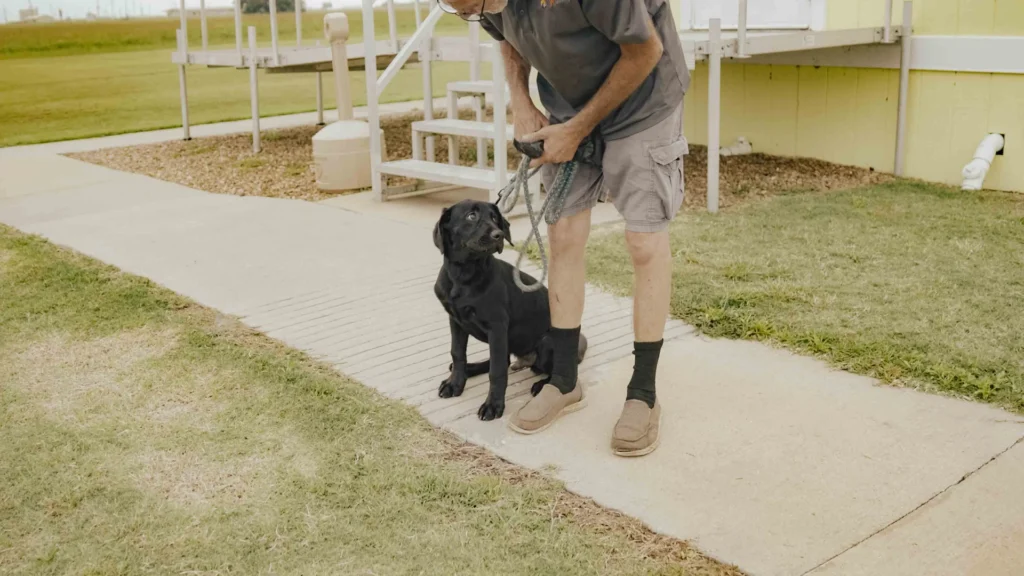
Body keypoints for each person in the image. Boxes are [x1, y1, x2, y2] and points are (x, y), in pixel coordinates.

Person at [440, 0, 690, 457]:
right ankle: (564, 380)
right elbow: (508, 41)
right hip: (567, 109)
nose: (476, 13)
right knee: (564, 238)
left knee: (643, 243)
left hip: (644, 104)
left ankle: (643, 394)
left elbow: (644, 51)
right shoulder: (482, 4)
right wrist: (522, 102)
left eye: (474, 5)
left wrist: (579, 128)